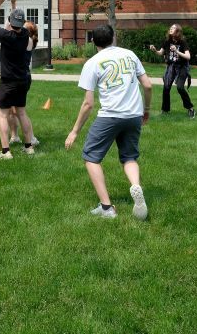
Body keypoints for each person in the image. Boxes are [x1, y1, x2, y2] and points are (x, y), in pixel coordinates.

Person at [65, 24, 153, 220]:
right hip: (133, 115)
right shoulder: (130, 55)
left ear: (93, 41)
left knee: (91, 157)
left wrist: (74, 131)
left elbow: (88, 104)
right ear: (113, 37)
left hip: (110, 116)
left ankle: (107, 208)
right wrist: (146, 110)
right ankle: (135, 186)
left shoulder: (92, 63)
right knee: (129, 157)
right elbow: (147, 85)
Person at [0, 0, 35, 159]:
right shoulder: (26, 35)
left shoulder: (6, 36)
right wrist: (14, 4)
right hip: (23, 80)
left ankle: (6, 151)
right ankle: (29, 147)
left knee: (2, 114)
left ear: (10, 22)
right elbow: (15, 23)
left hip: (8, 82)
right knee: (22, 112)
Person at [8, 0, 40, 147]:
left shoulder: (24, 39)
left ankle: (31, 138)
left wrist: (13, 5)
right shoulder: (27, 39)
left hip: (20, 77)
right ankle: (14, 136)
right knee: (13, 110)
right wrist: (14, 5)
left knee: (18, 110)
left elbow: (12, 26)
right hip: (23, 76)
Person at [150, 24, 195, 118]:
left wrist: (177, 51)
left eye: (173, 28)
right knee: (166, 87)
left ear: (177, 31)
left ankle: (190, 108)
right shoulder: (167, 41)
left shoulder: (182, 42)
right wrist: (154, 50)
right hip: (171, 66)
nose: (171, 29)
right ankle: (165, 110)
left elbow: (188, 57)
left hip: (182, 67)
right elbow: (160, 53)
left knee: (180, 88)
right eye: (170, 28)